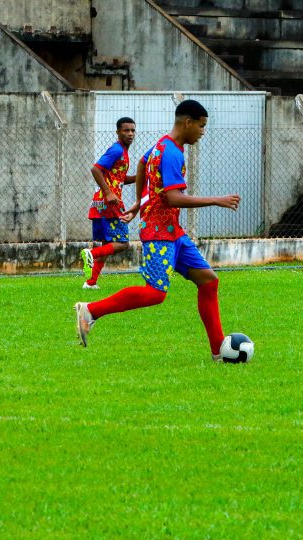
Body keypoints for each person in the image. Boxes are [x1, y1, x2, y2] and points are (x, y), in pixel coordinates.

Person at [74, 100, 241, 361]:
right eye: (201, 125)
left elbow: (141, 164)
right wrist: (216, 200)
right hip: (158, 232)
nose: (202, 132)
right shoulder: (172, 153)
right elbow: (173, 197)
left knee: (208, 281)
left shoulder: (161, 145)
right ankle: (91, 311)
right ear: (188, 123)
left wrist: (141, 202)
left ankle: (218, 350)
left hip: (173, 231)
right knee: (155, 293)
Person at [81, 117, 137, 289]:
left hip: (103, 202)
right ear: (118, 132)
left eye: (132, 130)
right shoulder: (116, 150)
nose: (130, 134)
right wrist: (108, 192)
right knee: (122, 243)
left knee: (108, 244)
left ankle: (90, 283)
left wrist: (140, 177)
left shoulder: (123, 152)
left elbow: (119, 178)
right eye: (126, 130)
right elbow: (96, 169)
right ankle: (91, 253)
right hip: (109, 202)